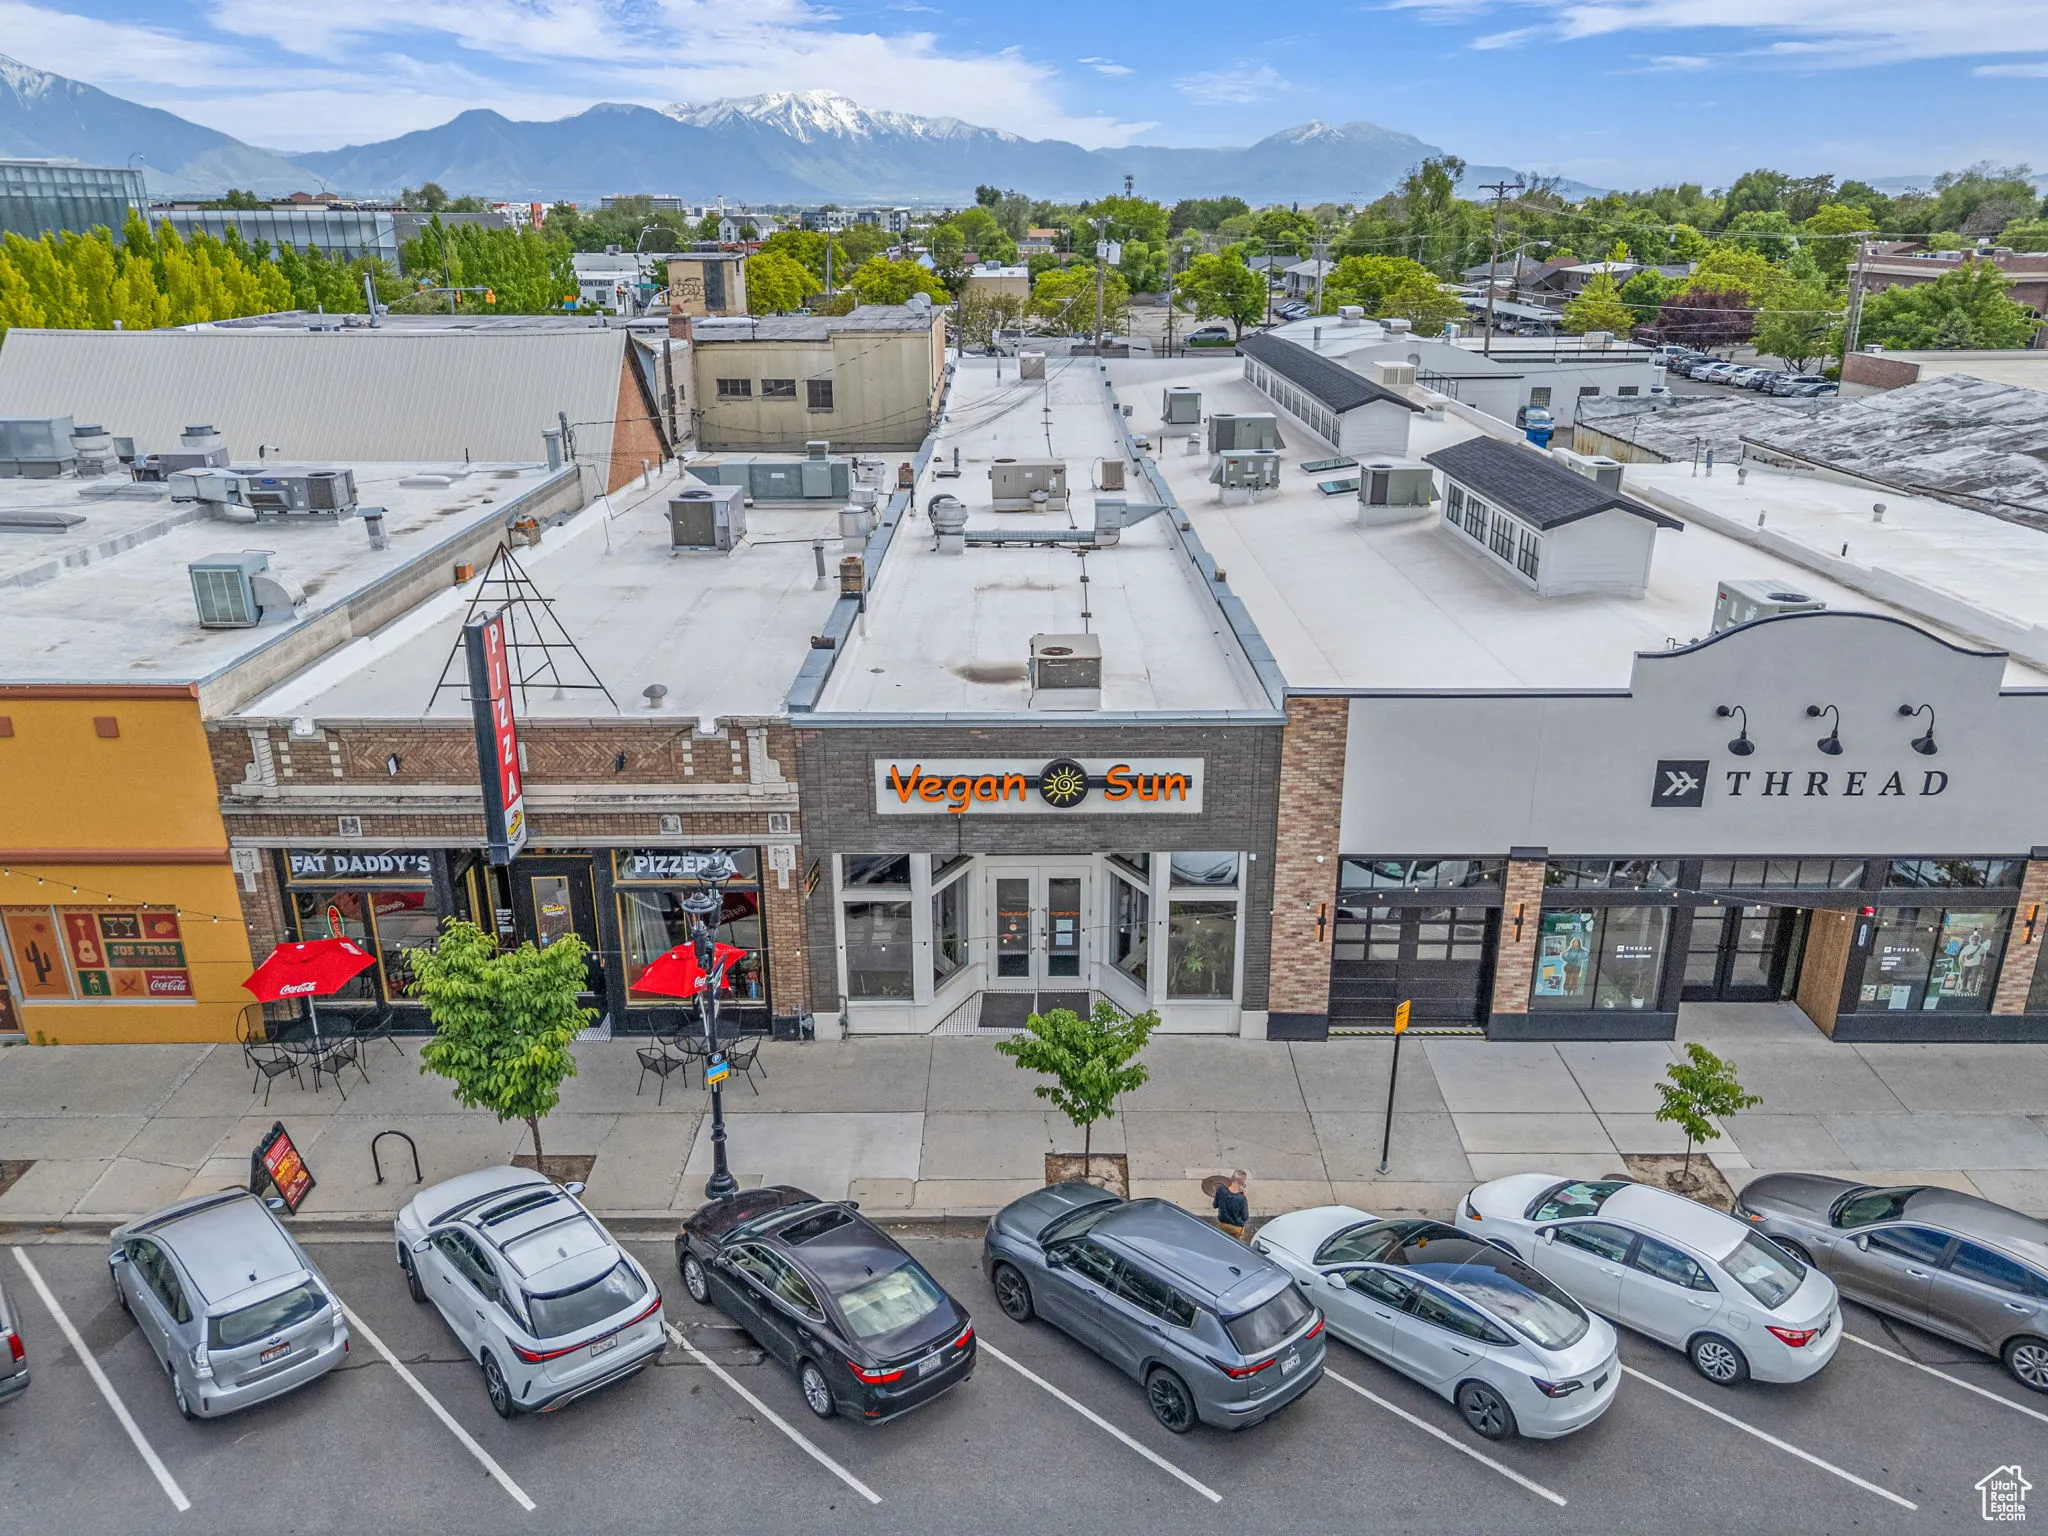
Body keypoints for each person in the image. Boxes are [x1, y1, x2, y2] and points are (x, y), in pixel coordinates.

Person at [1213, 1169, 1249, 1240]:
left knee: (1223, 1240)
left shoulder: (1220, 1190)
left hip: (1223, 1224)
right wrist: (1245, 1198)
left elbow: (1215, 1205)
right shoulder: (1242, 1198)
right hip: (1236, 1227)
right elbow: (1245, 1217)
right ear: (1242, 1183)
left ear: (1231, 1178)